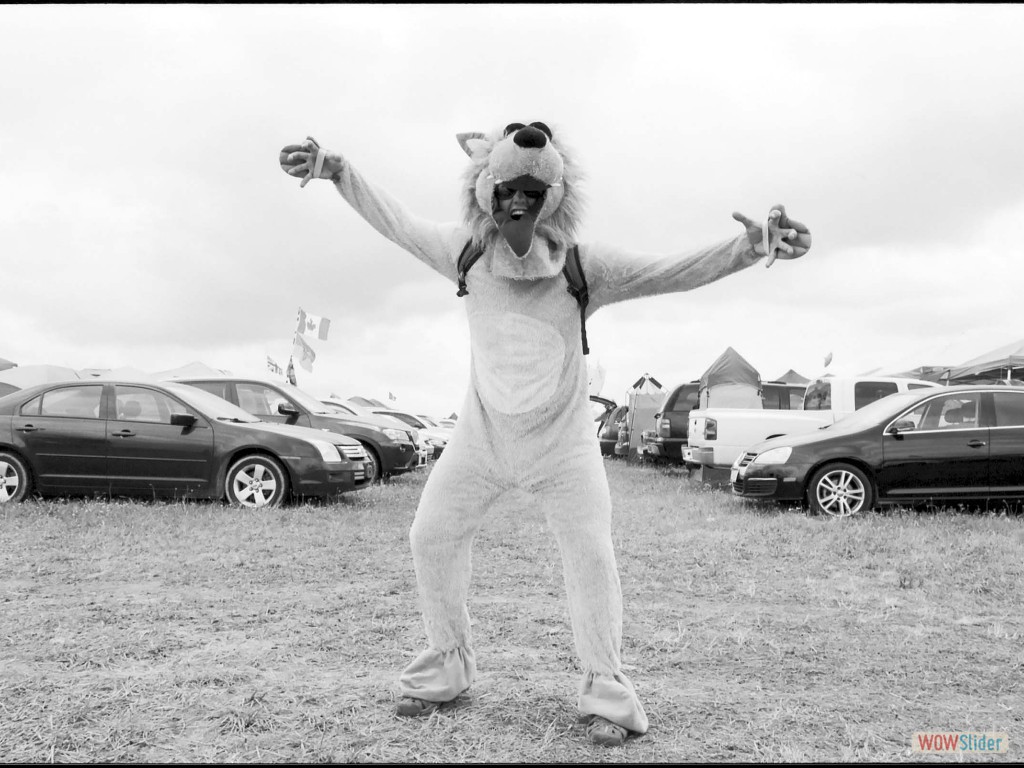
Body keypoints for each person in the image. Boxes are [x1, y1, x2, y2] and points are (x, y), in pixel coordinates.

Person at [279, 124, 810, 747]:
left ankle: (606, 689)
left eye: (532, 193)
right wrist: (339, 170)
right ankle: (448, 662)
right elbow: (396, 223)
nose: (517, 205)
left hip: (564, 448)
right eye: (507, 192)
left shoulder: (587, 267)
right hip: (481, 439)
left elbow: (671, 271)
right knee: (431, 535)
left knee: (590, 554)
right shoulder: (464, 253)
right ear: (485, 190)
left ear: (558, 194)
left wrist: (747, 249)